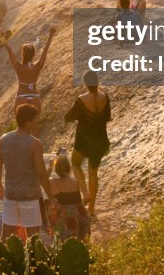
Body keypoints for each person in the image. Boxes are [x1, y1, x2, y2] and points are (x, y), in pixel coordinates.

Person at [0, 105, 55, 240]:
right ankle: (31, 261)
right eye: (35, 120)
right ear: (28, 122)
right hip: (30, 197)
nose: (37, 122)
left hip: (11, 195)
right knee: (32, 237)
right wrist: (51, 197)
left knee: (6, 233)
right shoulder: (34, 144)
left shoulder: (3, 139)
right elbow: (42, 174)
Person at [65, 70, 111, 217]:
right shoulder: (105, 97)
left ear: (85, 83)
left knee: (75, 163)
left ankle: (85, 193)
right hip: (100, 140)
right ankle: (91, 209)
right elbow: (108, 117)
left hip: (84, 140)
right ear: (97, 81)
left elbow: (68, 117)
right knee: (93, 172)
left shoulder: (81, 99)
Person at [1, 26, 56, 113]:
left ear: (23, 54)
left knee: (21, 122)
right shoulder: (37, 66)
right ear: (33, 54)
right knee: (34, 123)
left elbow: (9, 50)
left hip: (21, 96)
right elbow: (46, 49)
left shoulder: (19, 67)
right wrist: (51, 35)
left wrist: (2, 38)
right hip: (34, 96)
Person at [48, 154, 89, 241]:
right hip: (79, 217)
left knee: (49, 206)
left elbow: (43, 182)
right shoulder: (75, 181)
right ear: (68, 167)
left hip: (65, 218)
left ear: (57, 169)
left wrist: (50, 167)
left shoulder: (53, 182)